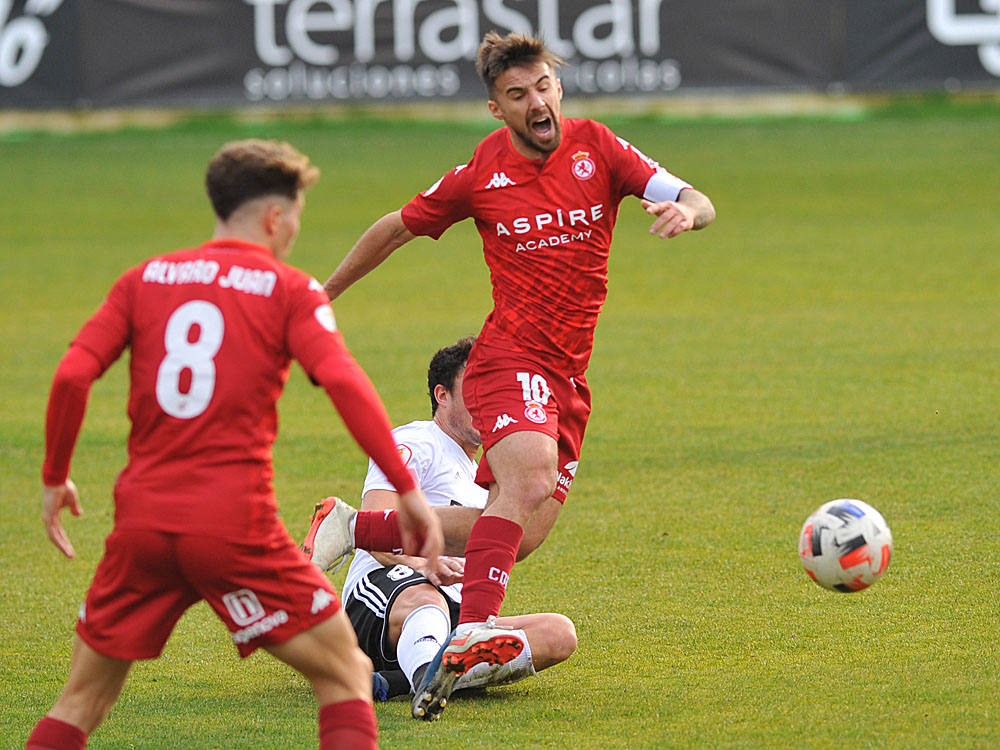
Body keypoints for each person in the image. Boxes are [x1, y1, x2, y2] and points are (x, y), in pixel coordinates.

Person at [322, 32, 716, 721]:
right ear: (495, 109)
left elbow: (693, 194)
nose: (537, 102)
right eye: (517, 95)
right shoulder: (481, 173)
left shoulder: (600, 147)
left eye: (543, 87)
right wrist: (324, 296)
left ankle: (362, 528)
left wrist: (688, 210)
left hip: (569, 377)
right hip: (509, 358)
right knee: (528, 480)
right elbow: (396, 227)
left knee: (520, 533)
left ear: (557, 87)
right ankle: (471, 631)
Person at [28, 139, 443, 750]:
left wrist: (55, 476)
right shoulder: (287, 289)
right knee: (347, 676)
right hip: (233, 528)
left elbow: (70, 376)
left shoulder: (144, 279)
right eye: (296, 218)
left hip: (141, 525)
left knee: (81, 701)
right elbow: (345, 383)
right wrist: (406, 489)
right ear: (275, 217)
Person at [318, 338, 577, 706]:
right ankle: (426, 678)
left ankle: (397, 682)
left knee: (558, 634)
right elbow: (376, 525)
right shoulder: (418, 441)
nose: (487, 404)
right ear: (442, 395)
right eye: (474, 392)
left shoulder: (489, 476)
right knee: (426, 596)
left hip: (453, 611)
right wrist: (425, 564)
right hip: (384, 598)